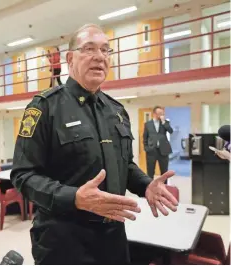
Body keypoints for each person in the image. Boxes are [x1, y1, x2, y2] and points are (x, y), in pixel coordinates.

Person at [11, 23, 178, 264]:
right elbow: (23, 175)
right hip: (63, 239)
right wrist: (74, 197)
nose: (99, 57)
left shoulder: (117, 111)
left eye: (106, 50)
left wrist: (145, 185)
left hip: (113, 237)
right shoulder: (45, 107)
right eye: (89, 49)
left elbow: (125, 165)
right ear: (70, 58)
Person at [143, 106, 173, 180]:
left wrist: (163, 122)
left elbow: (170, 131)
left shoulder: (165, 122)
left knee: (164, 173)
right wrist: (146, 148)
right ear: (154, 113)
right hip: (151, 151)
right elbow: (145, 137)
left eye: (162, 113)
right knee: (150, 172)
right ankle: (150, 188)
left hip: (163, 151)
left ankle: (164, 188)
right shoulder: (147, 124)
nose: (161, 115)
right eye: (159, 113)